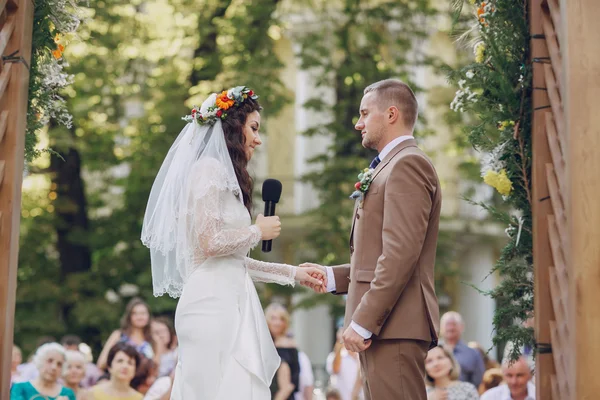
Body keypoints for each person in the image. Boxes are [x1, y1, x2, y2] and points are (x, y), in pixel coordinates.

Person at [140, 86, 326, 399]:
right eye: (253, 128)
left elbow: (235, 261)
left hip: (231, 299)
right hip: (209, 303)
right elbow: (210, 242)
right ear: (231, 128)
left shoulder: (227, 180)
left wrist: (294, 274)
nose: (258, 138)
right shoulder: (207, 171)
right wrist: (257, 231)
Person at [301, 78, 441, 400]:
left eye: (365, 114)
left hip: (396, 325)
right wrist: (332, 276)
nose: (358, 123)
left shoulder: (408, 164)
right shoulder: (391, 166)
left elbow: (400, 255)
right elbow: (381, 256)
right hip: (389, 327)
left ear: (391, 114)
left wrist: (363, 321)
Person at [97, 298, 154, 370]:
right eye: (135, 313)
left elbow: (157, 367)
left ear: (148, 316)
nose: (139, 317)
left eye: (143, 313)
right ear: (129, 316)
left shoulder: (154, 339)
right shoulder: (118, 335)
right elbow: (101, 363)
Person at [10, 342, 76, 400]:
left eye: (59, 364)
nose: (54, 367)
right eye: (50, 361)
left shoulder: (67, 393)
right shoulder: (20, 388)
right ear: (39, 361)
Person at [440, 312, 485, 388]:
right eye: (447, 324)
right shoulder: (431, 351)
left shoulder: (473, 354)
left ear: (462, 327)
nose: (450, 328)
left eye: (454, 324)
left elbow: (478, 382)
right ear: (441, 328)